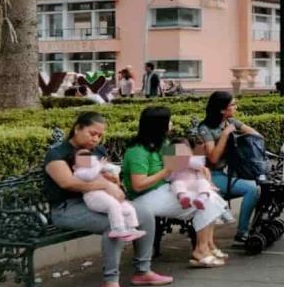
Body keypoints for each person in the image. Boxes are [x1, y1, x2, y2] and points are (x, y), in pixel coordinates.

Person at [43, 111, 172, 287]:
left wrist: (114, 180)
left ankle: (143, 271)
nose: (96, 139)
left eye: (100, 135)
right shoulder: (58, 154)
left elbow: (109, 176)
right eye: (92, 133)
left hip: (99, 201)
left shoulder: (98, 151)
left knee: (144, 212)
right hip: (67, 208)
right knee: (113, 225)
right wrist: (105, 184)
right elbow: (68, 183)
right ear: (77, 128)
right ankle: (110, 282)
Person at [123, 106, 229, 267]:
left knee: (209, 196)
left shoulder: (164, 143)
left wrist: (200, 168)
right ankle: (202, 249)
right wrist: (167, 170)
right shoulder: (138, 151)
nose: (171, 123)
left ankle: (205, 247)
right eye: (169, 120)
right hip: (144, 197)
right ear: (160, 125)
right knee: (207, 201)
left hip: (165, 189)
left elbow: (184, 160)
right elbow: (138, 185)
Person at [197, 91, 262, 246]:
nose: (236, 107)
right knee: (252, 189)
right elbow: (213, 158)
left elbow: (257, 136)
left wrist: (240, 138)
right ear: (221, 109)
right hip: (209, 176)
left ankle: (254, 228)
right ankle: (242, 232)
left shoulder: (230, 122)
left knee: (262, 185)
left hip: (226, 173)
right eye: (232, 104)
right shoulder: (205, 128)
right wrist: (225, 135)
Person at [74, 151, 145, 241]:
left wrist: (111, 169)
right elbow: (89, 176)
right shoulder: (79, 172)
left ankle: (132, 228)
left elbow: (114, 169)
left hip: (105, 194)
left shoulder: (95, 167)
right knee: (113, 205)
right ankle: (117, 229)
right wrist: (99, 166)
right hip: (93, 197)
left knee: (127, 208)